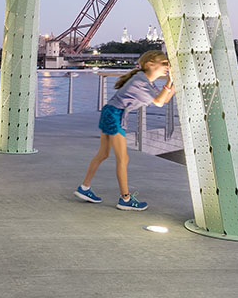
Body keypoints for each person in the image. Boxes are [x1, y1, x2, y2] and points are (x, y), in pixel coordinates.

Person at [74, 50, 174, 211]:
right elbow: (159, 102)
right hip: (115, 115)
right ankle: (125, 199)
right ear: (150, 64)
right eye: (164, 64)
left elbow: (164, 98)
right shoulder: (141, 80)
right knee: (123, 159)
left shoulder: (145, 81)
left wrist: (172, 82)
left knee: (103, 154)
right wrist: (171, 81)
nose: (167, 67)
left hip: (111, 112)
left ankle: (84, 188)